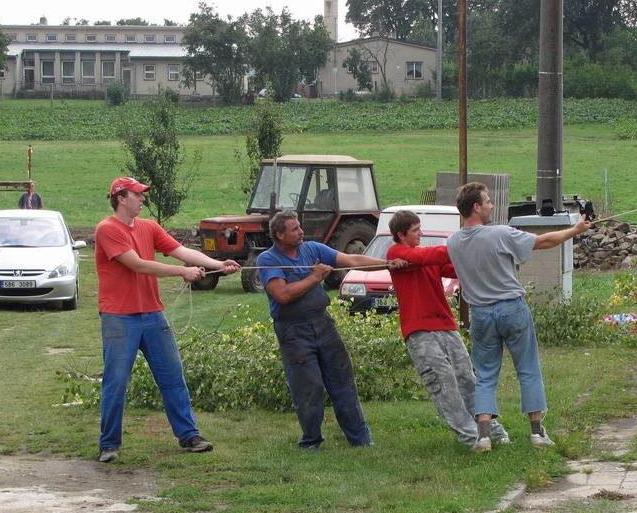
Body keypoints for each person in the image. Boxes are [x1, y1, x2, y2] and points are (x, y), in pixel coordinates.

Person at [94, 176, 239, 463]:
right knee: (116, 381)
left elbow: (181, 251)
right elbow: (137, 264)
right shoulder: (107, 229)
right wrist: (181, 272)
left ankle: (189, 436)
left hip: (152, 314)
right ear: (121, 198)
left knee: (173, 377)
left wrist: (217, 265)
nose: (143, 199)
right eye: (138, 195)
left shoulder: (149, 227)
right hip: (119, 317)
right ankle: (108, 444)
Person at [447, 182, 591, 449]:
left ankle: (484, 436)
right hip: (511, 309)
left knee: (485, 375)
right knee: (528, 369)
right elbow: (543, 241)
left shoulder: (453, 242)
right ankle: (536, 433)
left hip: (480, 314)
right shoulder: (499, 233)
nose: (491, 205)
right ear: (476, 207)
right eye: (487, 201)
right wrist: (575, 229)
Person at [257, 210, 404, 449]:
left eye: (299, 227)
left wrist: (388, 264)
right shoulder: (268, 260)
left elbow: (352, 261)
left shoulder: (312, 249)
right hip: (293, 331)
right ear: (279, 234)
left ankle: (360, 440)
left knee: (343, 381)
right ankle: (311, 441)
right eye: (295, 229)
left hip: (323, 324)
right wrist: (315, 278)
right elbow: (282, 295)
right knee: (308, 387)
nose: (301, 231)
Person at [385, 210, 509, 453]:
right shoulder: (397, 253)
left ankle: (491, 430)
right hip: (420, 330)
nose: (421, 233)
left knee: (468, 378)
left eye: (420, 228)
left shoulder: (423, 257)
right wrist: (461, 243)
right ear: (401, 235)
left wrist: (484, 254)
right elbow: (435, 255)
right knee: (444, 382)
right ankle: (470, 437)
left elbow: (454, 267)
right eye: (415, 230)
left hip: (446, 326)